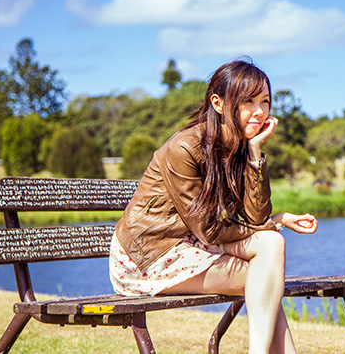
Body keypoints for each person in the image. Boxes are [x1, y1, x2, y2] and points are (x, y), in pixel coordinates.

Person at [109, 59, 318, 354]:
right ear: (218, 103)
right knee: (264, 279)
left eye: (265, 102)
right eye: (248, 101)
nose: (259, 112)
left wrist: (255, 152)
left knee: (271, 247)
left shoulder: (240, 147)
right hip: (149, 257)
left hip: (194, 244)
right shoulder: (184, 148)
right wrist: (277, 220)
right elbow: (209, 228)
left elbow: (253, 216)